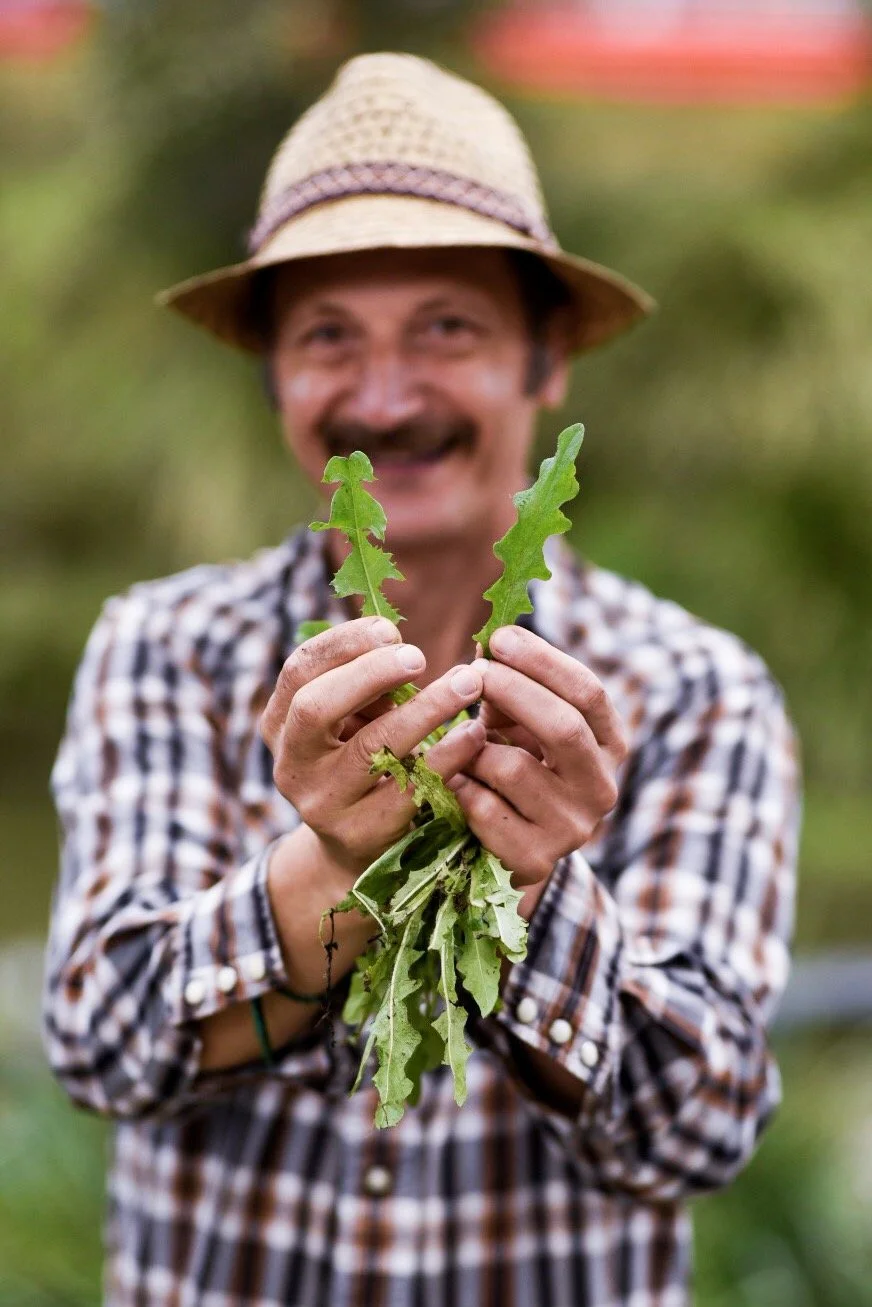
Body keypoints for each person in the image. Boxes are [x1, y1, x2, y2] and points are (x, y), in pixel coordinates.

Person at [44, 52, 800, 1307]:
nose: (383, 397)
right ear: (276, 375)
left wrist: (538, 885)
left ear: (544, 360)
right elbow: (104, 1044)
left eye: (445, 328)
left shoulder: (692, 688)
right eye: (328, 337)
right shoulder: (165, 647)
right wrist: (330, 864)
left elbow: (697, 1127)